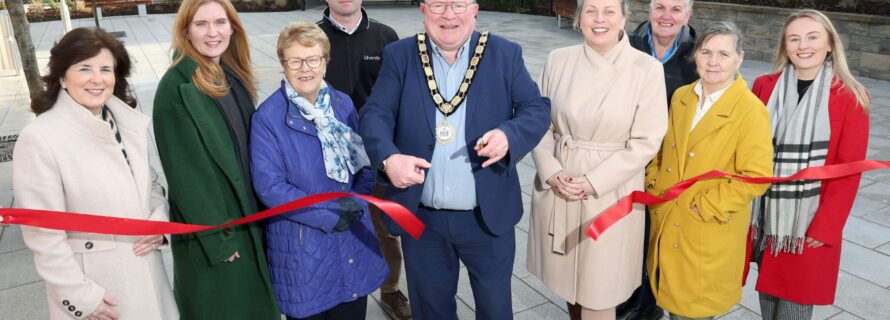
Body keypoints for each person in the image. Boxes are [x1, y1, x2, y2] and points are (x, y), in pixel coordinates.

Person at [359, 0, 551, 318]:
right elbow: (375, 113)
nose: (449, 15)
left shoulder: (505, 54)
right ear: (423, 10)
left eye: (458, 4)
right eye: (438, 5)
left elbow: (537, 108)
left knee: (495, 310)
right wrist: (388, 159)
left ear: (474, 9)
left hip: (486, 218)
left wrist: (509, 135)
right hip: (422, 220)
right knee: (431, 311)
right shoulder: (401, 55)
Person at [13, 27, 178, 320]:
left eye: (106, 69)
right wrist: (80, 297)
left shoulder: (123, 122)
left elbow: (149, 185)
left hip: (148, 280)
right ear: (62, 77)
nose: (97, 79)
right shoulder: (40, 138)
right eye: (84, 68)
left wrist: (159, 217)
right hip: (99, 293)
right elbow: (43, 234)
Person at [527, 0, 667, 319]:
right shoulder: (558, 60)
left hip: (610, 192)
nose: (599, 19)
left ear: (624, 18)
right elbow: (539, 123)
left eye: (608, 11)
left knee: (599, 290)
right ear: (579, 18)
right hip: (562, 183)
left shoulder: (646, 69)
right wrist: (551, 171)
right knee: (568, 284)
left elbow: (646, 141)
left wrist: (593, 182)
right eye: (591, 11)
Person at [250, 21, 387, 320]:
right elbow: (270, 187)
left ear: (325, 61)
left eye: (313, 59)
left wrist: (358, 201)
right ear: (283, 64)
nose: (305, 68)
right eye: (295, 60)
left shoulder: (342, 104)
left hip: (352, 236)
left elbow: (362, 162)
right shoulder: (268, 118)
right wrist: (331, 213)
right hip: (304, 251)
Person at [152, 0, 279, 318]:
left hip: (248, 220)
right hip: (219, 235)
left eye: (220, 22)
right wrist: (219, 242)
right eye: (201, 24)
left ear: (232, 27)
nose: (213, 33)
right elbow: (187, 178)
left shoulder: (231, 74)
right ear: (186, 31)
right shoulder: (176, 88)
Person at [644, 21, 773, 320]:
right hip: (668, 220)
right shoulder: (681, 96)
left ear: (739, 58)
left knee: (693, 312)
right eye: (706, 52)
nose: (713, 61)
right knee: (670, 301)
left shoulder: (751, 110)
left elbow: (756, 176)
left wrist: (706, 205)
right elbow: (664, 147)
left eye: (724, 54)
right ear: (695, 56)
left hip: (705, 226)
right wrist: (654, 182)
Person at [748, 9, 871, 320]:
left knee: (795, 306)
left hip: (809, 220)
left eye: (812, 37)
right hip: (767, 216)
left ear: (830, 43)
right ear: (785, 46)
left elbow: (849, 169)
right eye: (794, 38)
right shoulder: (765, 86)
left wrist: (826, 225)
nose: (804, 45)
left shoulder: (850, 95)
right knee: (768, 298)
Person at [316, 2, 410, 318]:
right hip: (328, 159)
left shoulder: (386, 37)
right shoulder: (312, 36)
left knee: (384, 229)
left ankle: (390, 290)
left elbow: (402, 96)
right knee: (335, 225)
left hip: (377, 155)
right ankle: (338, 293)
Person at [625, 1, 697, 318]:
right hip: (627, 158)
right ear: (650, 10)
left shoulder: (698, 56)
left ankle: (652, 304)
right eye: (660, 7)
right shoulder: (625, 45)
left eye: (676, 9)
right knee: (629, 235)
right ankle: (630, 297)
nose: (667, 15)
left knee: (660, 236)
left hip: (671, 165)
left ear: (688, 16)